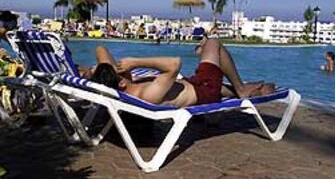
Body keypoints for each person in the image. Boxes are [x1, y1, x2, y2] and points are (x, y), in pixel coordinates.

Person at [90, 38, 275, 107]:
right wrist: (135, 61)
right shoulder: (146, 94)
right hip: (204, 90)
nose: (122, 67)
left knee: (266, 88)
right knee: (212, 43)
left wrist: (102, 70)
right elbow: (175, 63)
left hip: (192, 83)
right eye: (118, 70)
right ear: (122, 83)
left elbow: (101, 49)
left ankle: (253, 90)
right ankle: (242, 89)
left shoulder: (120, 86)